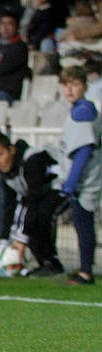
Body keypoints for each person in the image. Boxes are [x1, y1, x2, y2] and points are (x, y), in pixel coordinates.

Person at [0, 131, 66, 277]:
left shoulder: (32, 159)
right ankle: (45, 263)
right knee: (31, 217)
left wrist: (20, 241)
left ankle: (51, 262)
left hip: (62, 184)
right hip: (41, 193)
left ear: (12, 150)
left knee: (39, 215)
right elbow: (9, 207)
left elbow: (33, 196)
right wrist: (4, 242)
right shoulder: (6, 173)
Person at [59, 67, 102, 285]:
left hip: (87, 180)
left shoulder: (83, 112)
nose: (69, 89)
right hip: (87, 179)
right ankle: (85, 268)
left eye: (74, 84)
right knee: (82, 223)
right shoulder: (82, 109)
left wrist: (71, 183)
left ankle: (86, 272)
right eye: (66, 84)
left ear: (84, 86)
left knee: (83, 223)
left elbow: (83, 150)